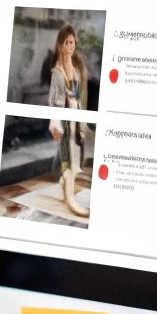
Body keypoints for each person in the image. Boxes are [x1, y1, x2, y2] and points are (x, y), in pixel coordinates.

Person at [44, 25, 93, 217]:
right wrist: (54, 121)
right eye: (68, 42)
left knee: (75, 159)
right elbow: (54, 100)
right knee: (69, 161)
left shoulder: (76, 69)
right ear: (61, 45)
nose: (72, 46)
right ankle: (71, 199)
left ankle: (64, 184)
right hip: (65, 123)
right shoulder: (57, 72)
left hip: (76, 122)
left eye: (73, 42)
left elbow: (79, 96)